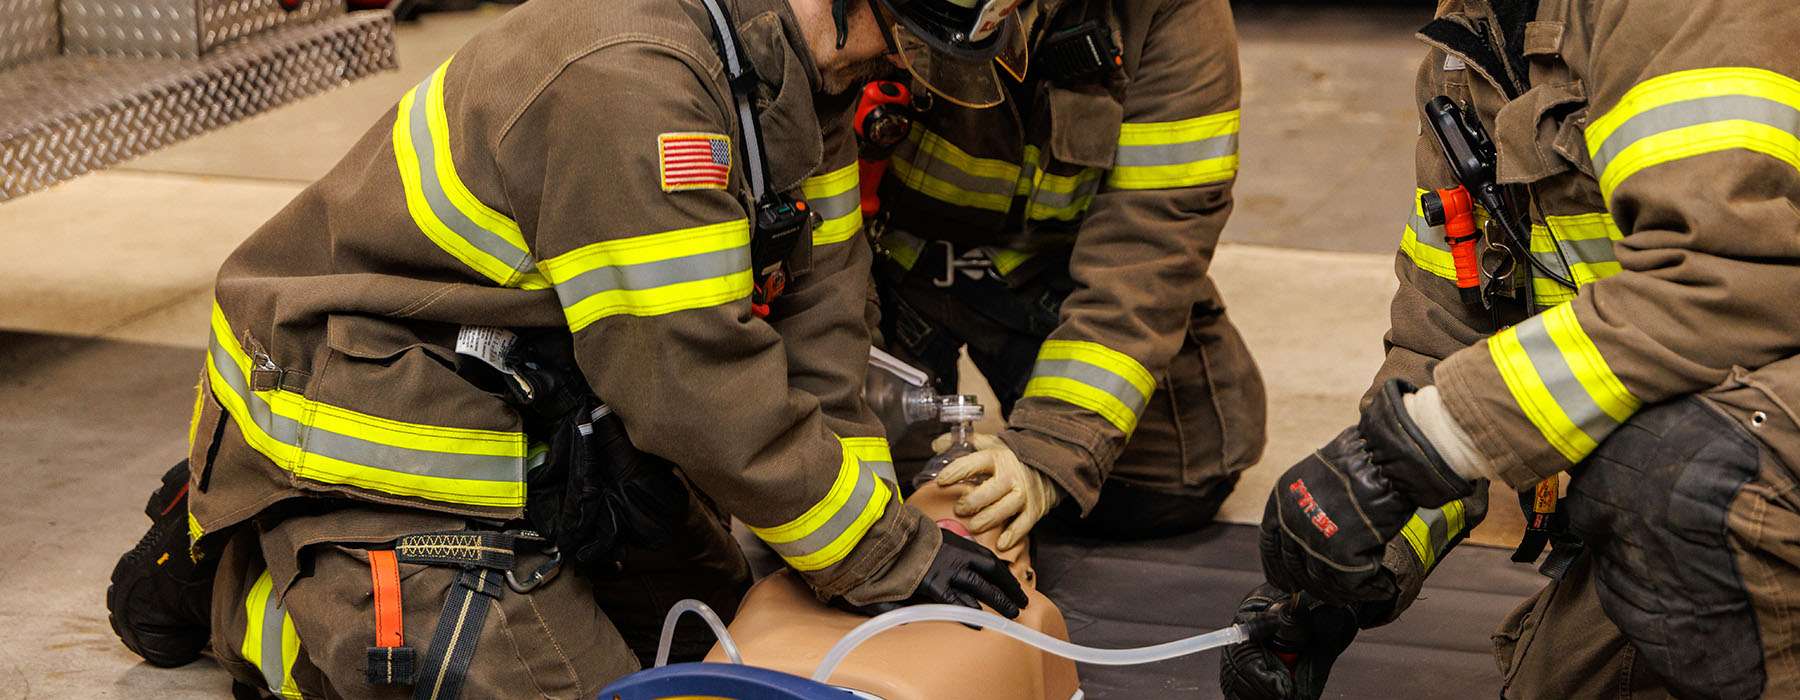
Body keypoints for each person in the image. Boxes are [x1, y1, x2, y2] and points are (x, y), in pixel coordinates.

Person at [102, 0, 1035, 695]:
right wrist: (882, 555)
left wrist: (869, 543)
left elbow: (822, 322)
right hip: (380, 405)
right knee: (544, 686)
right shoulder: (631, 81)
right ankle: (250, 580)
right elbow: (688, 379)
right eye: (902, 38)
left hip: (543, 392)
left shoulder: (800, 75)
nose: (900, 68)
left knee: (697, 638)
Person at [1223, 1, 1800, 699]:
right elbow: (1449, 334)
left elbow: (1724, 281)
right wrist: (1359, 553)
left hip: (1730, 447)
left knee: (1672, 484)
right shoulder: (1472, 41)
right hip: (1698, 442)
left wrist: (1419, 448)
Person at [864, 0, 1265, 552]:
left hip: (1049, 270)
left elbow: (1152, 242)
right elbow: (818, 228)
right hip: (888, 263)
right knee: (858, 490)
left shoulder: (1171, 12)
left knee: (1168, 480)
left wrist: (1047, 452)